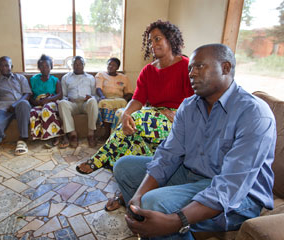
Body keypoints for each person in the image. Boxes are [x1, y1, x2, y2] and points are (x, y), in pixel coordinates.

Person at [114, 44, 276, 240]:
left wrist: (176, 220)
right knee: (124, 167)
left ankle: (172, 228)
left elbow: (230, 186)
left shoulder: (254, 114)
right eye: (190, 68)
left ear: (225, 68)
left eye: (199, 66)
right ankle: (155, 229)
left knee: (155, 202)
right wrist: (138, 195)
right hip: (192, 174)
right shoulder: (189, 106)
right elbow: (167, 156)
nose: (191, 73)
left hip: (240, 195)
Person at [76, 20, 194, 179]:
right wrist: (125, 114)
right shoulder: (148, 71)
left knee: (137, 120)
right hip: (154, 114)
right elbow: (138, 99)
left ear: (170, 38)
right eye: (150, 41)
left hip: (177, 119)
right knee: (131, 127)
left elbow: (198, 100)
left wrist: (179, 115)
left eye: (157, 39)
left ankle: (100, 158)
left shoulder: (186, 66)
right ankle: (128, 176)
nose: (153, 44)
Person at [0, 56, 32, 155]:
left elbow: (27, 94)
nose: (4, 68)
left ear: (11, 66)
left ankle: (23, 139)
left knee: (24, 103)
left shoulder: (20, 78)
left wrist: (15, 104)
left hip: (20, 106)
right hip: (4, 108)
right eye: (1, 66)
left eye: (6, 65)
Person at [58, 56, 98, 148]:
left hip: (85, 103)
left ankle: (91, 134)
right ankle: (73, 134)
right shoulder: (65, 78)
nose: (77, 66)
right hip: (73, 104)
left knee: (93, 101)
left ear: (84, 65)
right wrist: (67, 98)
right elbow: (63, 95)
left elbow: (95, 95)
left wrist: (90, 97)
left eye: (80, 64)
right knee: (62, 103)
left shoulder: (90, 78)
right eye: (75, 64)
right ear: (72, 65)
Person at [29, 54, 64, 147]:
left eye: (47, 66)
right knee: (33, 112)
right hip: (38, 103)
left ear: (51, 67)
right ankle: (41, 136)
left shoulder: (55, 80)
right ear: (39, 68)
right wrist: (35, 102)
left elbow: (60, 94)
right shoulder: (33, 79)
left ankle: (57, 135)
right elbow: (29, 95)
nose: (44, 68)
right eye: (42, 66)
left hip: (52, 103)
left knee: (46, 109)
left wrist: (48, 100)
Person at [96, 57, 133, 140]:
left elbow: (129, 92)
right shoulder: (101, 75)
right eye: (109, 64)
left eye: (113, 65)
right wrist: (102, 96)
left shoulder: (124, 78)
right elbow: (98, 88)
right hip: (106, 98)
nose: (110, 67)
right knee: (104, 104)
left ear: (117, 68)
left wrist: (124, 98)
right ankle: (107, 133)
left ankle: (117, 133)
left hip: (119, 99)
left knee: (123, 103)